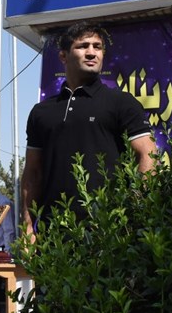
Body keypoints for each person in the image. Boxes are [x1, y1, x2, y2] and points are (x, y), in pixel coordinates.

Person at [21, 22, 156, 243]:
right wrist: (28, 226)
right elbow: (33, 173)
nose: (92, 52)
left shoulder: (121, 102)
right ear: (63, 56)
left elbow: (148, 155)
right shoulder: (41, 112)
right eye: (83, 46)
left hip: (109, 232)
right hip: (54, 235)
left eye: (97, 46)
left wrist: (135, 211)